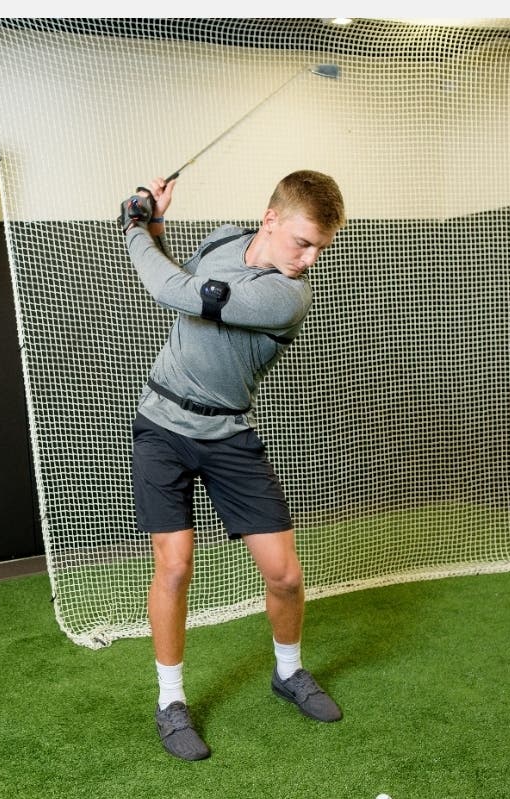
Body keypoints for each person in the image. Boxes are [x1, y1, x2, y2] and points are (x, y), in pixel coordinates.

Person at [119, 170, 347, 760]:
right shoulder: (223, 239)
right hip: (163, 425)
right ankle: (171, 702)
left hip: (227, 434)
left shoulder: (285, 295)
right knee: (174, 566)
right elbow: (183, 275)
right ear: (270, 218)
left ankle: (288, 672)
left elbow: (171, 292)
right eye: (303, 241)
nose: (311, 258)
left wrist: (134, 226)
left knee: (285, 574)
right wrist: (159, 224)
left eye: (321, 246)